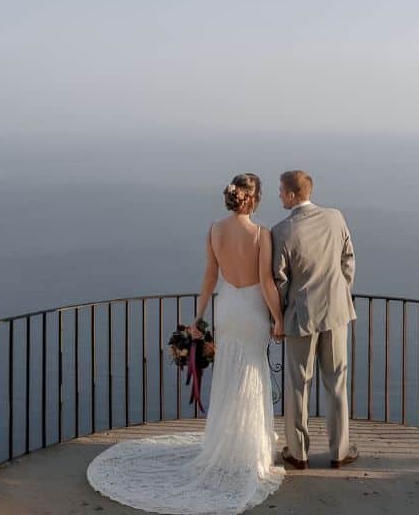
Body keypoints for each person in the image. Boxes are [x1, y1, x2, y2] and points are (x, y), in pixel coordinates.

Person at [87, 173, 286, 515]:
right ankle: (249, 450)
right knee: (252, 375)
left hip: (226, 309)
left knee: (227, 375)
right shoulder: (260, 234)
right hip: (252, 310)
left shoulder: (215, 231)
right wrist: (279, 318)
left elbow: (210, 276)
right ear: (252, 200)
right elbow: (267, 282)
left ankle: (228, 445)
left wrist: (198, 317)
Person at [271, 170, 358, 469]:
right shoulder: (335, 217)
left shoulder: (282, 230)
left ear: (294, 194)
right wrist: (341, 292)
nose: (279, 195)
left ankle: (298, 454)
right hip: (336, 313)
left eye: (281, 191)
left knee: (298, 385)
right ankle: (340, 452)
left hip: (300, 317)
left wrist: (280, 316)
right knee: (337, 383)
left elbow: (279, 279)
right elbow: (348, 259)